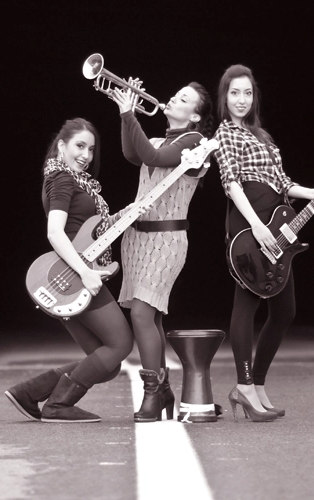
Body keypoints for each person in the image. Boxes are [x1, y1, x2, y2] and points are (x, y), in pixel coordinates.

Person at [212, 65, 314, 422]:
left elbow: (282, 183)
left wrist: (313, 192)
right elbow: (231, 183)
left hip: (276, 225)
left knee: (284, 311)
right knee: (247, 302)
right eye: (235, 93)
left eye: (248, 93)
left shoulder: (262, 136)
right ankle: (244, 386)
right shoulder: (225, 133)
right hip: (249, 225)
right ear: (224, 97)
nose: (241, 99)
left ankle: (258, 385)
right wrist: (256, 226)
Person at [5, 118, 137, 423]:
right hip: (77, 275)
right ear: (62, 145)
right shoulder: (63, 179)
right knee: (120, 345)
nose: (86, 155)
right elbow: (55, 232)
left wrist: (124, 214)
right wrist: (86, 273)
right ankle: (58, 405)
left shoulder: (73, 180)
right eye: (80, 146)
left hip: (72, 276)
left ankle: (28, 392)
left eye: (91, 149)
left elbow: (87, 229)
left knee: (106, 364)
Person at [110, 80, 214, 422]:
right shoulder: (157, 140)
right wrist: (125, 115)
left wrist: (130, 114)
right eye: (176, 94)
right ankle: (163, 390)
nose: (173, 98)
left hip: (167, 240)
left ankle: (152, 394)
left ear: (195, 115)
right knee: (149, 315)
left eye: (183, 98)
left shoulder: (194, 141)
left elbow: (154, 158)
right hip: (136, 240)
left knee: (142, 313)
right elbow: (133, 154)